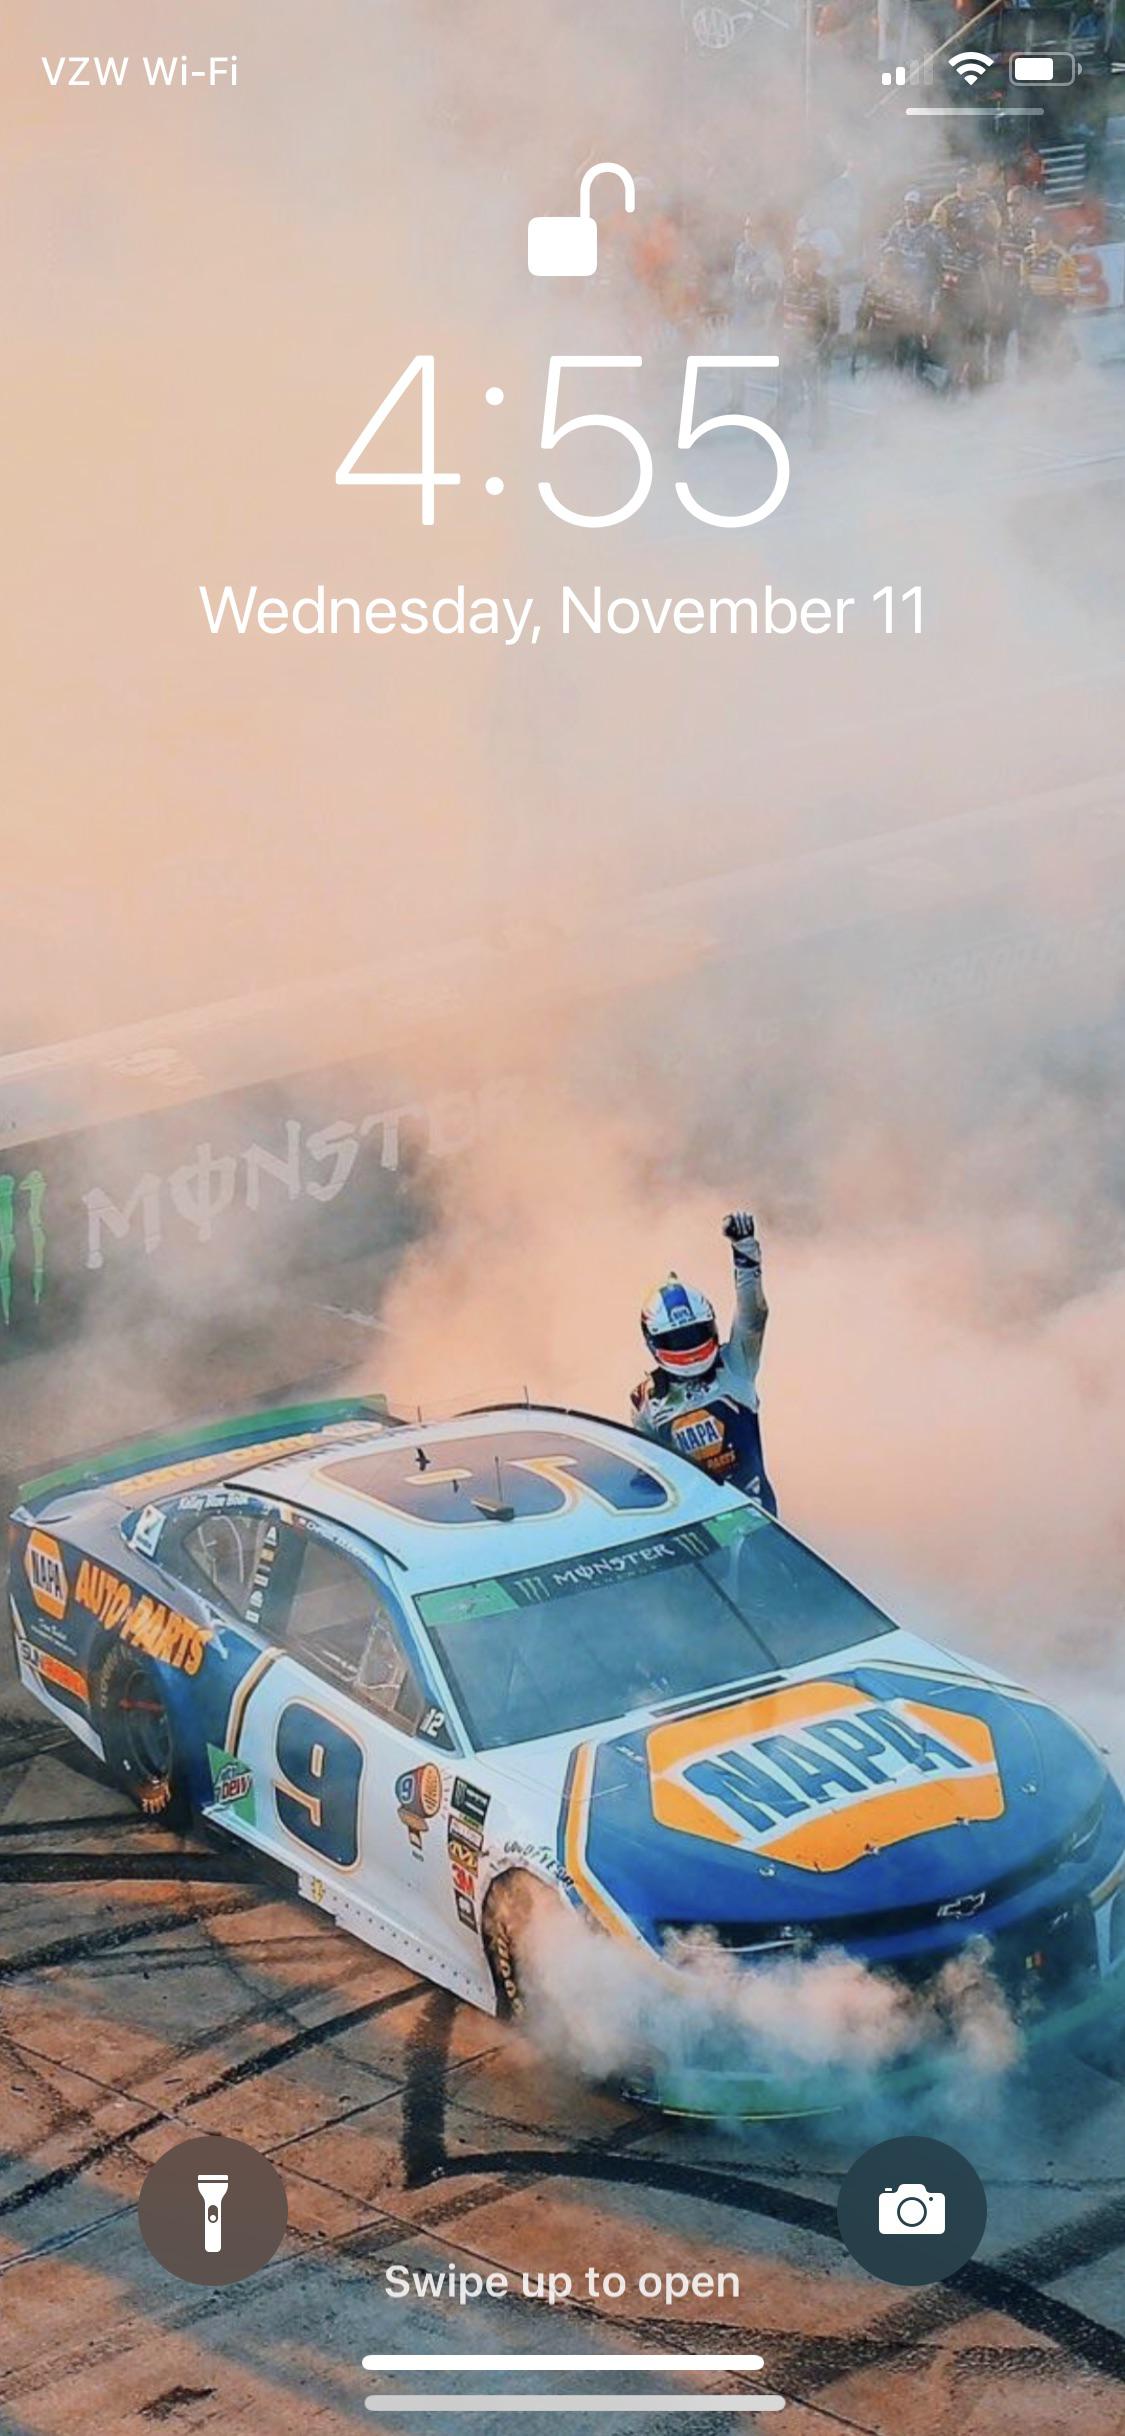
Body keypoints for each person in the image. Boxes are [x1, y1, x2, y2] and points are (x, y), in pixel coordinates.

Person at [630, 1212, 777, 1512]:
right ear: (654, 1342)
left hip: (755, 1511)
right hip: (694, 1518)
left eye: (696, 1333)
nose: (690, 1346)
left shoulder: (736, 1364)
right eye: (677, 1339)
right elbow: (648, 1472)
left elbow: (752, 1317)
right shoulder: (645, 1400)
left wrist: (745, 1252)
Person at [777, 240, 839, 444]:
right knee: (786, 390)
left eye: (804, 258)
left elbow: (833, 324)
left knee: (816, 393)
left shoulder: (826, 287)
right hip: (790, 347)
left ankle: (818, 434)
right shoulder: (787, 282)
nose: (799, 262)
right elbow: (778, 314)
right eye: (796, 258)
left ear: (814, 262)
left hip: (815, 349)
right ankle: (779, 431)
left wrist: (819, 350)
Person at [1019, 216, 1078, 370]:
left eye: (1042, 231)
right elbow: (1024, 280)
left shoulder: (1061, 257)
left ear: (1049, 233)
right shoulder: (1027, 253)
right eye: (1035, 231)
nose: (1038, 234)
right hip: (1034, 301)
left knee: (1054, 338)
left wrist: (1063, 304)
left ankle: (1063, 369)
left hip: (1054, 302)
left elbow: (1069, 287)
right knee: (1026, 336)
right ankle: (1030, 370)